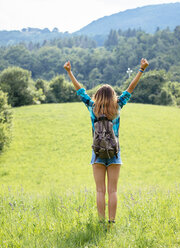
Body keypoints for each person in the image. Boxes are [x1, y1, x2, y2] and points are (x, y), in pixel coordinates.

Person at [63, 58, 149, 225]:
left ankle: (101, 223)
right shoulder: (117, 106)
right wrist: (141, 70)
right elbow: (130, 88)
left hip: (97, 154)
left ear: (98, 96)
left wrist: (69, 71)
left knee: (100, 190)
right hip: (115, 152)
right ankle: (112, 222)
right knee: (113, 190)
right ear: (112, 96)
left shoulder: (92, 107)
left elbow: (80, 90)